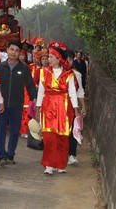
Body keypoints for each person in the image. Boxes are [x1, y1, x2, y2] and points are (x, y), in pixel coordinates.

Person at [35, 43, 80, 175]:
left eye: (50, 56)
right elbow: (41, 92)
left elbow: (72, 92)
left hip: (64, 107)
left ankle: (60, 164)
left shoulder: (68, 73)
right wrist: (38, 108)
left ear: (58, 58)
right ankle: (49, 164)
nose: (48, 59)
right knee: (49, 136)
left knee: (62, 136)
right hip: (48, 106)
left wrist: (76, 108)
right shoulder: (44, 72)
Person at [0, 40, 38, 166]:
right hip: (2, 105)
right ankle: (1, 156)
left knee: (14, 131)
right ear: (7, 50)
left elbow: (30, 85)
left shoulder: (24, 69)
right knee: (1, 129)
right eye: (11, 49)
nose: (14, 52)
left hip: (17, 105)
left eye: (16, 50)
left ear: (20, 53)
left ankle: (10, 154)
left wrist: (34, 100)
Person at [66, 50, 87, 166]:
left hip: (72, 107)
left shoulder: (76, 75)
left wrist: (83, 106)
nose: (68, 62)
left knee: (73, 130)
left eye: (70, 59)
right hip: (57, 107)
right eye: (66, 59)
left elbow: (79, 92)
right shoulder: (55, 74)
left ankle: (72, 155)